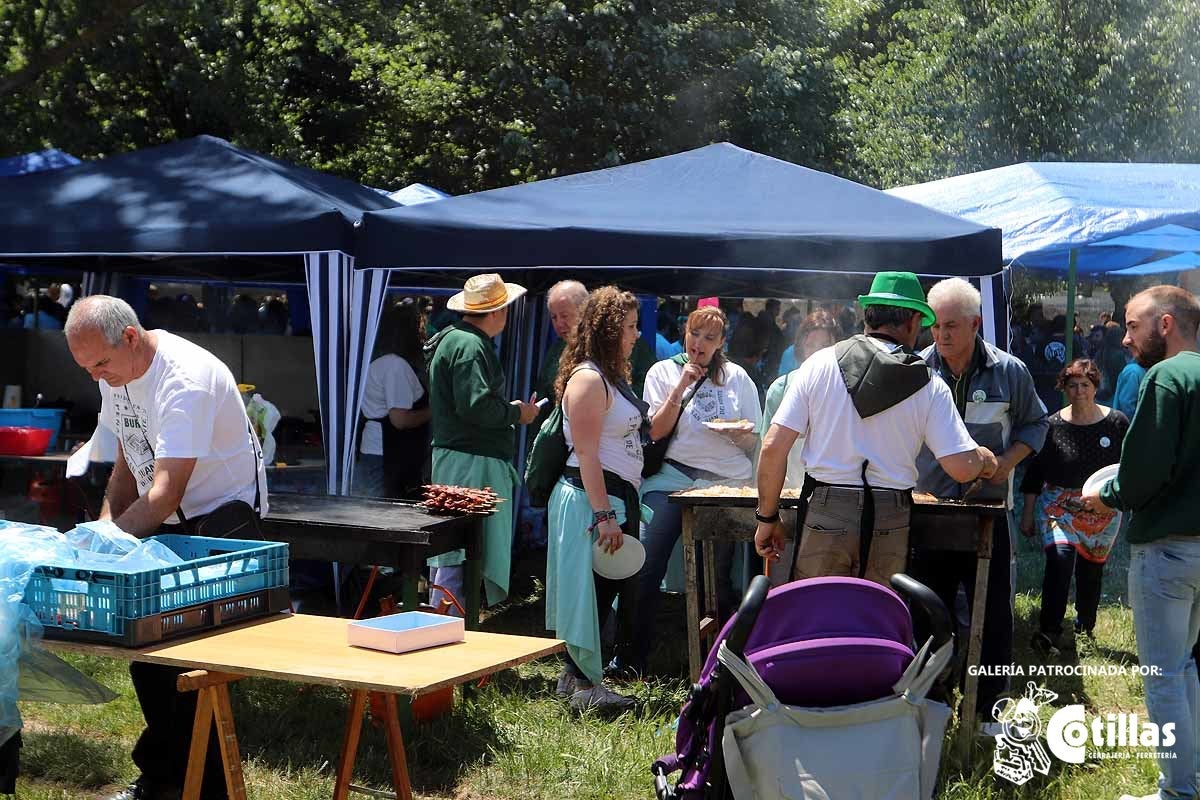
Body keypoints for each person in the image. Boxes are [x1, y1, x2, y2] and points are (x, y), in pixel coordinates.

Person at [64, 295, 267, 800]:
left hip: (222, 522)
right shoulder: (119, 373)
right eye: (85, 368)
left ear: (130, 337)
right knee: (148, 653)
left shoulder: (185, 379)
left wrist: (107, 542)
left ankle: (204, 789)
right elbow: (128, 466)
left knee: (196, 668)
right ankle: (159, 781)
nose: (96, 378)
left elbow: (163, 491)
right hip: (170, 519)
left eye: (101, 364)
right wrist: (102, 530)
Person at [755, 271, 997, 589]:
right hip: (890, 518)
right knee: (876, 621)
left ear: (867, 316)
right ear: (913, 322)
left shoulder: (818, 364)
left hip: (827, 511)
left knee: (820, 618)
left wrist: (767, 519)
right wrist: (986, 461)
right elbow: (961, 468)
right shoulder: (929, 383)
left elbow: (772, 448)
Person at [1080, 285, 1200, 800]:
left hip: (1168, 550)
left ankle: (1177, 791)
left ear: (1166, 323)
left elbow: (1143, 473)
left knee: (1164, 675)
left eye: (1133, 325)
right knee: (1187, 666)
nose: (1125, 337)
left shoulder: (1166, 377)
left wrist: (1107, 495)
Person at [912, 276, 1048, 728]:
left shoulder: (1010, 372)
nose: (941, 335)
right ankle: (932, 703)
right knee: (927, 609)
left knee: (991, 614)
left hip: (987, 513)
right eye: (934, 327)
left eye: (951, 325)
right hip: (928, 510)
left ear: (975, 324)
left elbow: (1036, 425)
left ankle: (991, 708)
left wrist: (1008, 461)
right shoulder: (916, 371)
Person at [615, 306, 762, 677]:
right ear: (685, 333)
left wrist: (739, 433)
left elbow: (753, 439)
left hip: (726, 481)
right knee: (644, 564)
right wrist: (681, 385)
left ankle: (724, 661)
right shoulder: (663, 371)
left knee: (719, 575)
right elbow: (657, 431)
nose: (699, 344)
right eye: (694, 334)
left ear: (720, 343)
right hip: (672, 477)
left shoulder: (737, 377)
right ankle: (630, 658)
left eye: (709, 338)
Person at [546, 286, 646, 712]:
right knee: (594, 590)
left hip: (612, 497)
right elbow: (586, 455)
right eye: (629, 327)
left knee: (602, 588)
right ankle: (585, 686)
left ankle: (574, 679)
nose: (636, 335)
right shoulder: (588, 379)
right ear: (608, 330)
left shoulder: (607, 376)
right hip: (596, 502)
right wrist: (604, 514)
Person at [425, 274, 539, 611]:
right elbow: (476, 406)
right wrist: (517, 413)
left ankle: (446, 623)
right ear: (497, 311)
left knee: (457, 549)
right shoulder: (470, 345)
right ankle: (442, 625)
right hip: (469, 462)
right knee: (459, 550)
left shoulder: (458, 340)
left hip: (462, 459)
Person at [1019, 359, 1128, 655]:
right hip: (1057, 505)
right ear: (1064, 388)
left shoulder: (1116, 422)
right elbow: (1035, 473)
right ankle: (1049, 629)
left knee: (1091, 570)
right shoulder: (1052, 425)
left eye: (1085, 385)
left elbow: (1129, 467)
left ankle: (1085, 625)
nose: (1079, 391)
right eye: (1072, 385)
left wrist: (1123, 498)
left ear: (1095, 387)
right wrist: (1027, 514)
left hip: (1102, 507)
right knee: (1060, 558)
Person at [355, 300, 431, 499]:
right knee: (379, 512)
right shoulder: (394, 365)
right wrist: (435, 411)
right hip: (385, 453)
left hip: (377, 450)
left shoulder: (379, 361)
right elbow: (400, 420)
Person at [759, 309, 840, 491]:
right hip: (786, 491)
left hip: (830, 493)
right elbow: (767, 448)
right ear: (801, 348)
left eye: (825, 346)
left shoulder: (847, 391)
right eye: (811, 345)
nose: (817, 353)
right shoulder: (780, 389)